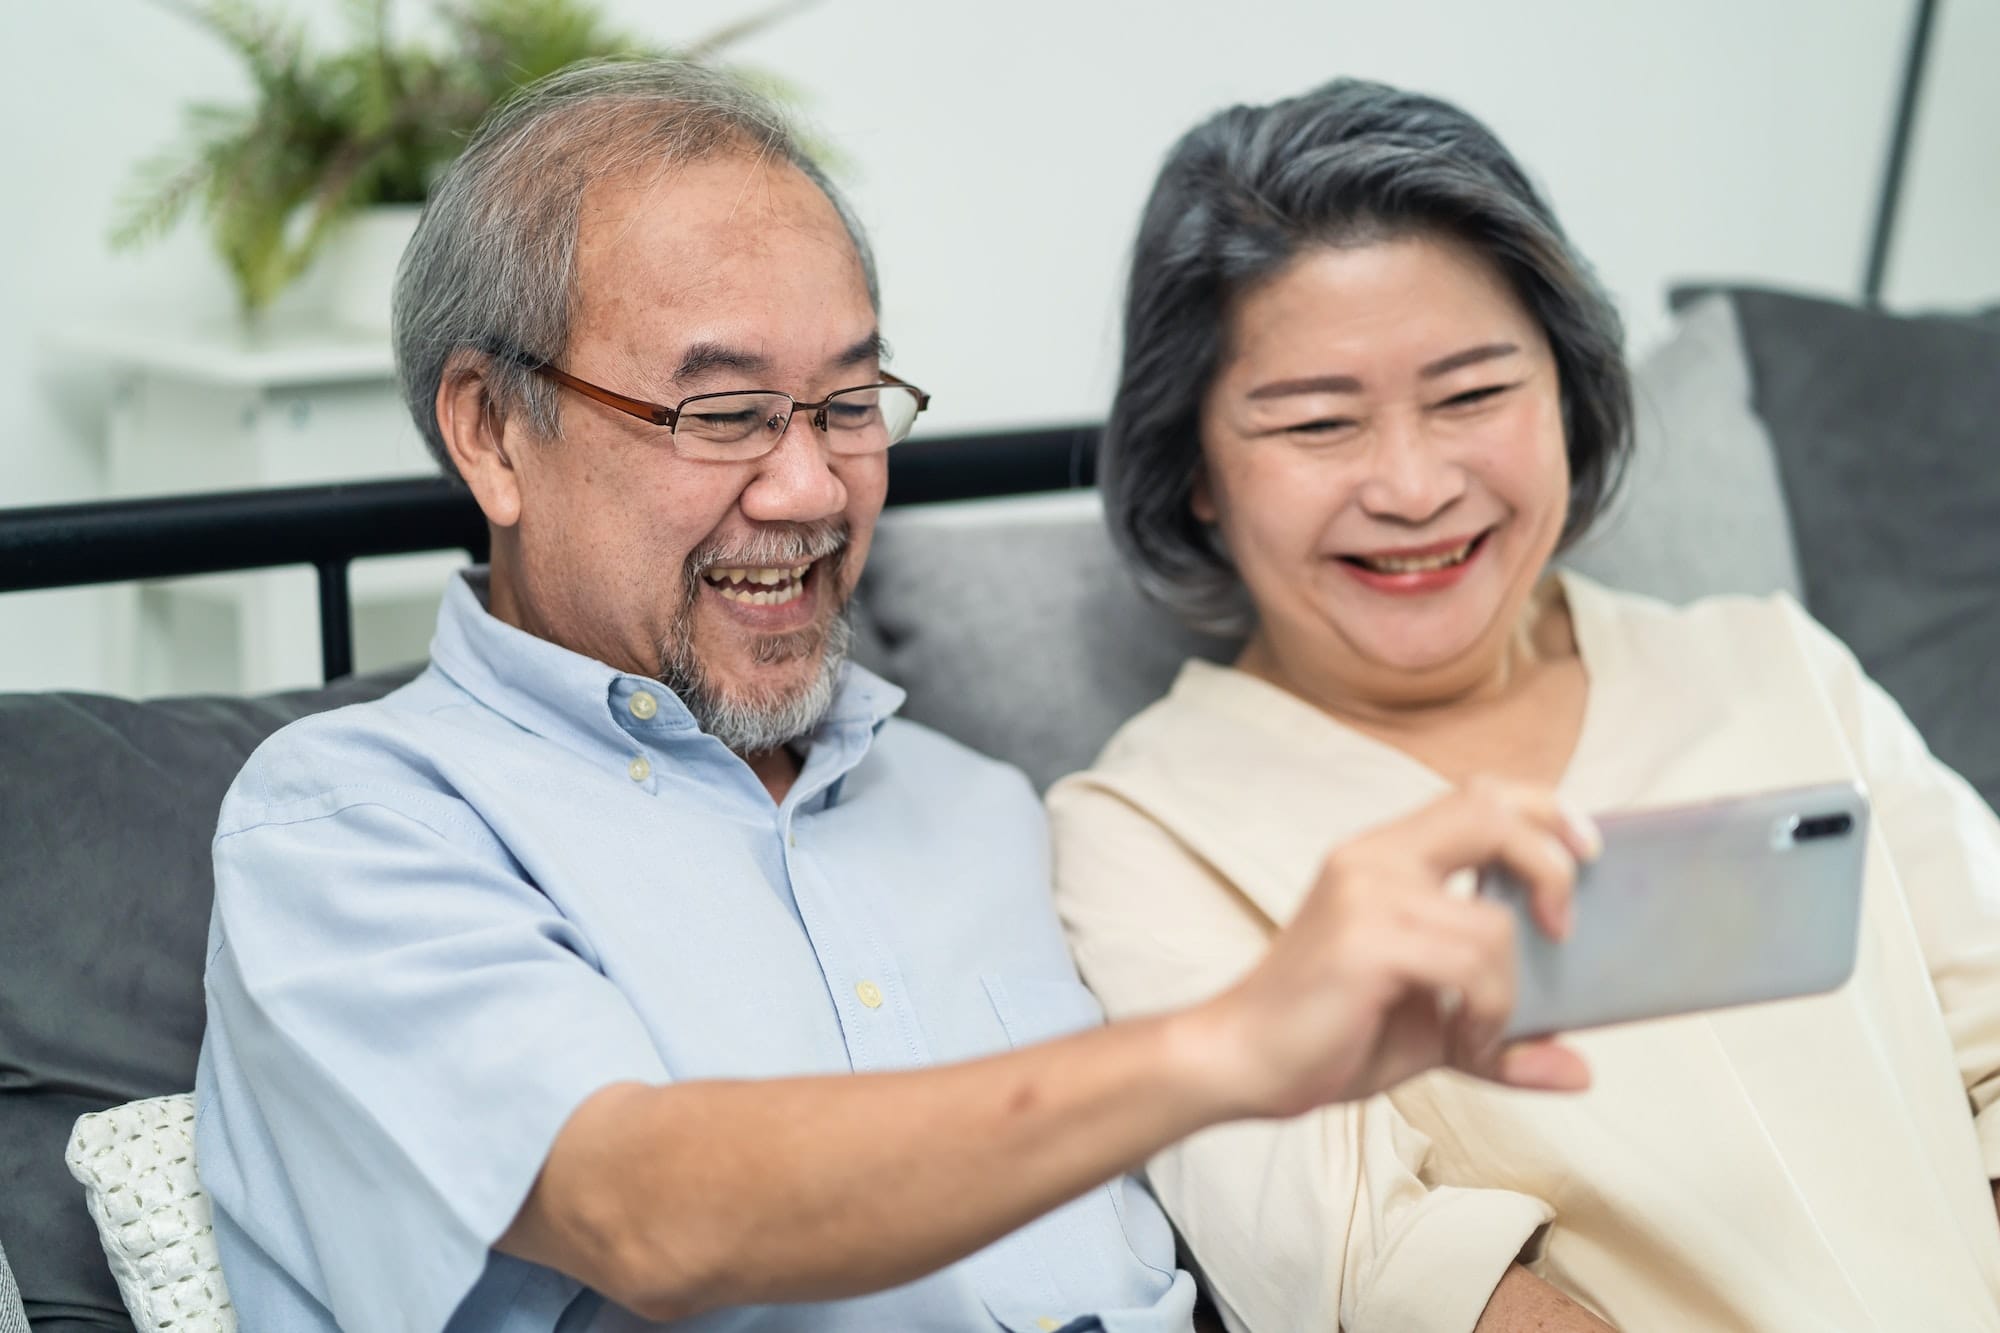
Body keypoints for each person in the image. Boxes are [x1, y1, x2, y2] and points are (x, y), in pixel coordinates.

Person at [192, 60, 1597, 1333]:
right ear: (492, 431)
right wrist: (1228, 1047)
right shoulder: (352, 824)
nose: (810, 489)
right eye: (724, 414)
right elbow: (651, 1214)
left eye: (850, 404)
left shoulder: (987, 808)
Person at [1048, 76, 2000, 1333]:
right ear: (1197, 475)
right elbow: (1385, 1277)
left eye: (1472, 394)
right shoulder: (1143, 829)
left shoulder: (1769, 662)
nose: (1410, 483)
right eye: (1318, 422)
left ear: (1564, 389)